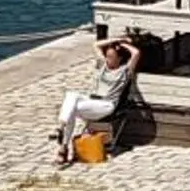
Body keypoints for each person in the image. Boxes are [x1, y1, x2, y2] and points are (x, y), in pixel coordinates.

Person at [57, 33, 141, 163]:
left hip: (106, 105)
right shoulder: (102, 66)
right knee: (71, 95)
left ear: (119, 59)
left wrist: (123, 43)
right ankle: (61, 128)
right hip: (92, 101)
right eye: (107, 56)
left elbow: (136, 53)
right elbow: (96, 45)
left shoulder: (125, 71)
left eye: (111, 57)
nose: (108, 59)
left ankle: (63, 147)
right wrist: (117, 40)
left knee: (72, 108)